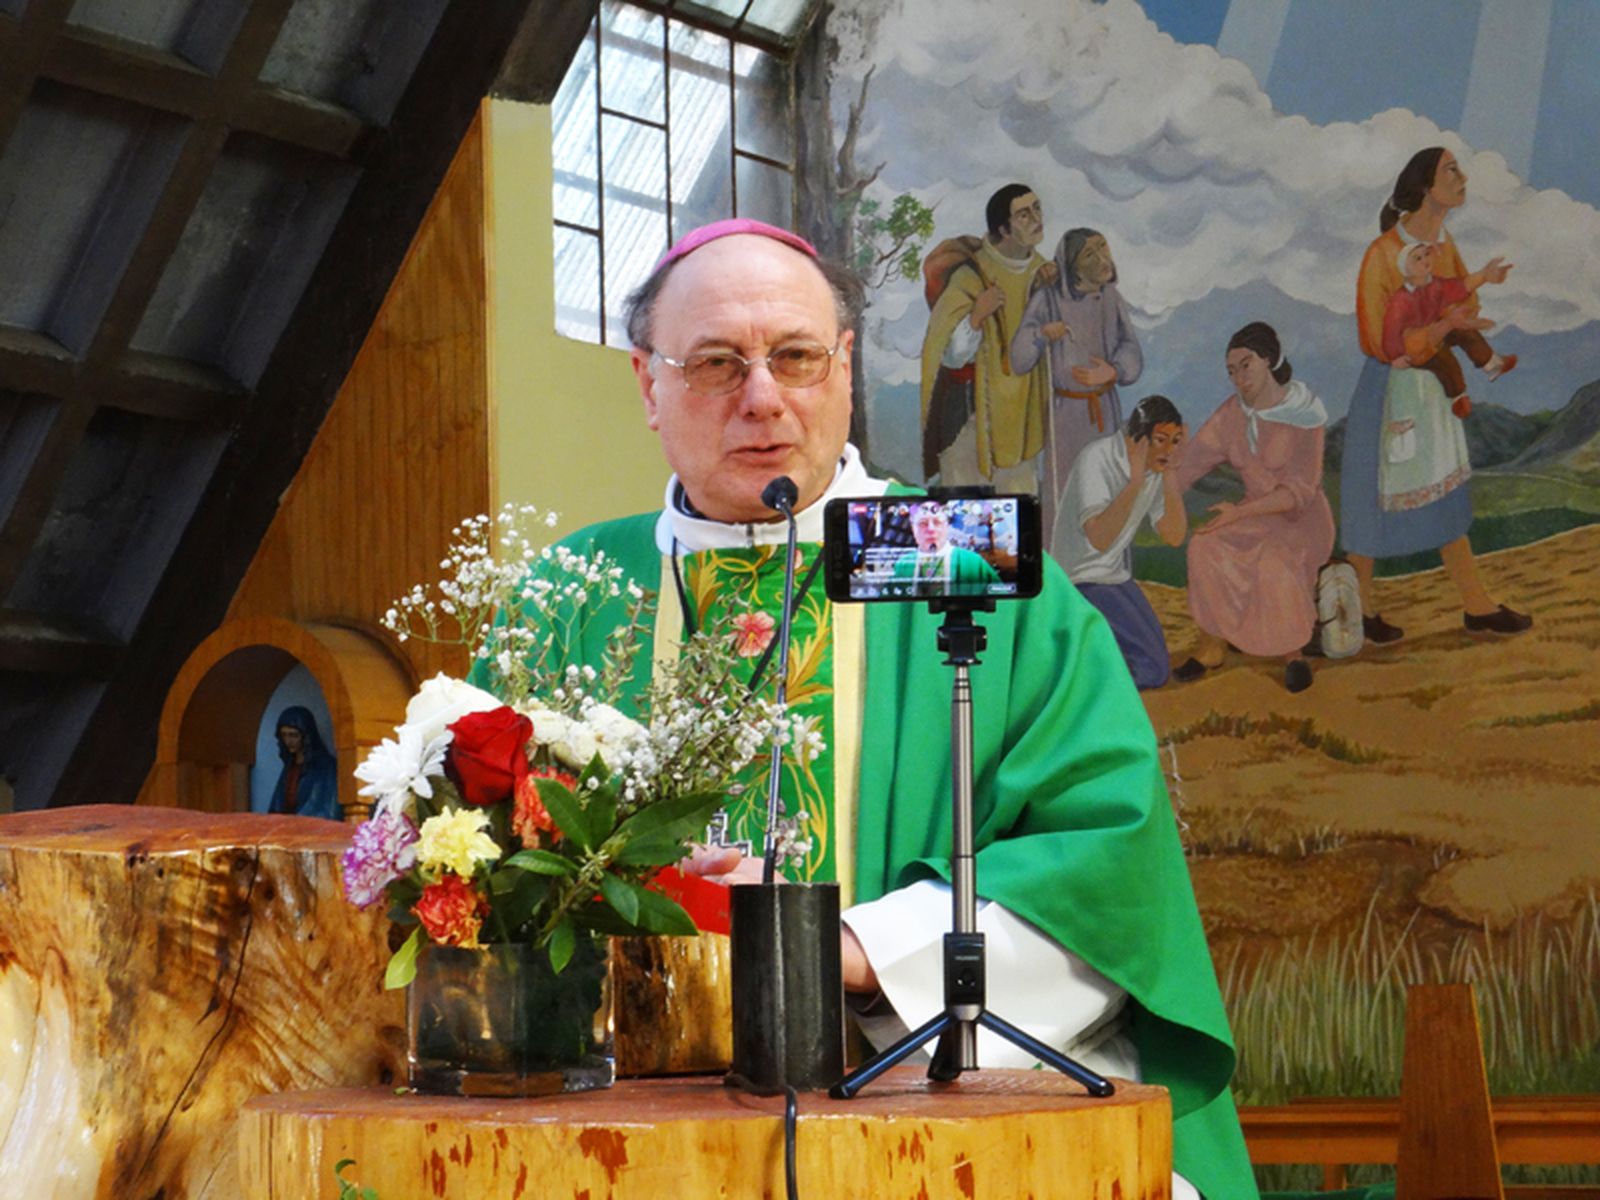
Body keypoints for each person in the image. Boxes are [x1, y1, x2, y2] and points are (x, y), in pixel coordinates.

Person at [523, 218, 1256, 1200]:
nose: (762, 397)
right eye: (715, 364)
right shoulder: (568, 593)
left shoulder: (970, 561)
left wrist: (863, 952)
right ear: (647, 384)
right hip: (623, 1133)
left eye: (795, 357)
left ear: (845, 366)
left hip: (935, 1120)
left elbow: (1107, 858)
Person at [1346, 146, 1530, 638]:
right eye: (1452, 170)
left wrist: (1459, 320)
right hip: (1392, 388)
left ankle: (1476, 604)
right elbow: (1376, 338)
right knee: (1373, 499)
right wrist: (1441, 327)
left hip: (1435, 387)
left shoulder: (1444, 247)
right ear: (1426, 186)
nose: (1463, 177)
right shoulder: (1384, 253)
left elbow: (1463, 299)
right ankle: (1358, 610)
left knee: (1446, 491)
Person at [1171, 323, 1335, 695]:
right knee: (1204, 544)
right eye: (1231, 371)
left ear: (1269, 359)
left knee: (1272, 561)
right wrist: (1157, 490)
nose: (1238, 378)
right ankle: (1212, 646)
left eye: (1246, 365)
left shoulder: (1306, 413)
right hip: (1251, 515)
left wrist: (1241, 513)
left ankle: (1292, 654)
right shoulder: (1233, 413)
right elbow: (1193, 461)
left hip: (1300, 520)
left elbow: (1299, 491)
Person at [1010, 227, 1144, 541]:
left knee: (1109, 493)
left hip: (1105, 412)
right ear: (1072, 266)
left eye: (1103, 247)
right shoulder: (1048, 299)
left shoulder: (1110, 298)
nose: (1102, 259)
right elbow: (1018, 358)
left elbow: (1131, 350)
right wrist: (1041, 334)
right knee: (1068, 495)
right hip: (1066, 416)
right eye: (1089, 254)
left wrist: (1113, 371)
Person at [918, 184, 1053, 490]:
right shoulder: (971, 275)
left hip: (1019, 416)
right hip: (970, 413)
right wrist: (977, 315)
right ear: (1003, 229)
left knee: (1018, 501)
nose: (1036, 219)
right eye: (1024, 215)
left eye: (1036, 209)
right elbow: (949, 356)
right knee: (964, 505)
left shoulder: (1042, 272)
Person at [1053, 396, 1187, 689]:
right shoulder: (1097, 458)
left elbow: (1174, 536)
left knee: (1156, 664)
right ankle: (1089, 689)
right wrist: (1135, 484)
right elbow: (1099, 538)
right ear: (1138, 439)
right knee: (1152, 670)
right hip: (1080, 578)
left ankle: (1093, 668)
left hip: (1112, 576)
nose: (1168, 450)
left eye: (1175, 441)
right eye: (1161, 440)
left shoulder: (1156, 467)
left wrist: (1170, 476)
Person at [1383, 239, 1516, 419]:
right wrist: (1395, 356)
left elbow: (1460, 287)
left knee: (1464, 331)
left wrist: (1484, 275)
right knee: (1444, 360)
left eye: (1426, 254)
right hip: (1414, 345)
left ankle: (1492, 364)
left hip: (1437, 331)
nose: (1425, 260)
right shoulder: (1400, 300)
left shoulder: (1435, 284)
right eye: (1417, 258)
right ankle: (1458, 397)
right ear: (1406, 268)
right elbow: (1391, 330)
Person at [884, 500, 1001, 598]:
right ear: (913, 528)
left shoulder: (973, 562)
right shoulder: (902, 565)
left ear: (947, 526)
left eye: (937, 522)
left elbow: (1004, 603)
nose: (931, 529)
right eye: (923, 523)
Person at [267, 705, 341, 819]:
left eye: (293, 735)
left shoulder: (326, 767)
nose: (288, 741)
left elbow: (329, 809)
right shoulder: (289, 767)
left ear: (306, 736)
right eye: (284, 735)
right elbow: (277, 806)